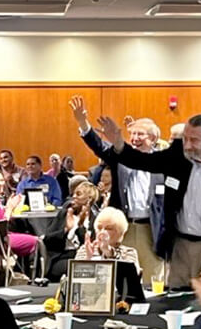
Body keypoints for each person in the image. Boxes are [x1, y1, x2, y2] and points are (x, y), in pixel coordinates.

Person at [91, 110, 201, 287]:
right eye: (185, 139)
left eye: (194, 140)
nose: (187, 145)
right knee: (175, 299)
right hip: (180, 247)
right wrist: (118, 142)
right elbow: (141, 161)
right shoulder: (177, 155)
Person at [69, 96, 165, 285]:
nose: (135, 139)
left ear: (153, 139)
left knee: (152, 279)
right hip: (124, 228)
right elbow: (99, 146)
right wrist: (83, 122)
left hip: (151, 230)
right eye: (133, 134)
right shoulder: (121, 156)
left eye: (141, 135)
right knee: (123, 278)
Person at [44, 181, 100, 281]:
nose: (73, 196)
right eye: (73, 193)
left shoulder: (94, 219)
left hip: (84, 257)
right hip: (62, 256)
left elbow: (90, 246)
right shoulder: (65, 213)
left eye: (78, 194)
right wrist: (66, 229)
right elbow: (48, 239)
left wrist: (80, 227)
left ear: (89, 199)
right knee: (77, 268)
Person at [76, 206, 140, 273]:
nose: (102, 232)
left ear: (120, 233)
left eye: (108, 228)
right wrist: (88, 259)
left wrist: (108, 252)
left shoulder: (129, 252)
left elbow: (130, 276)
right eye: (99, 228)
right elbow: (76, 276)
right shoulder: (84, 250)